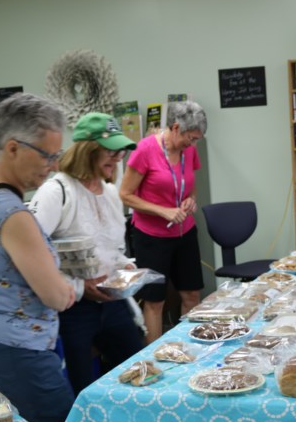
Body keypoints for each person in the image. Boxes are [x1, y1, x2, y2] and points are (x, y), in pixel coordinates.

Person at [0, 93, 76, 422]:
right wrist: (72, 288)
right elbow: (56, 296)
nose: (54, 165)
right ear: (13, 148)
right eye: (47, 154)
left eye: (57, 155)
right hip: (20, 351)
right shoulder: (13, 214)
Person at [30, 112, 144, 394]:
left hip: (111, 301)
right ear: (87, 150)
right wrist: (79, 287)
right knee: (80, 386)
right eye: (110, 151)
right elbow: (32, 257)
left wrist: (124, 267)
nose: (117, 158)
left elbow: (111, 247)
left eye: (119, 152)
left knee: (138, 372)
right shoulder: (55, 193)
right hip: (72, 308)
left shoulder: (109, 193)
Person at [120, 101, 207, 343]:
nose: (193, 144)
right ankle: (154, 362)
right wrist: (163, 211)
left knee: (191, 294)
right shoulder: (145, 150)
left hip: (185, 233)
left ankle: (193, 349)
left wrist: (191, 201)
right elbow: (125, 195)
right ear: (176, 127)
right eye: (191, 137)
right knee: (155, 301)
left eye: (197, 139)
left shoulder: (189, 150)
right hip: (152, 238)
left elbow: (191, 187)